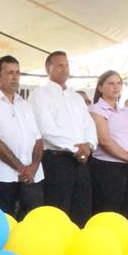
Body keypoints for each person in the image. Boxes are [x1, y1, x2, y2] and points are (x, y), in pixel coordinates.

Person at [30, 50, 97, 226]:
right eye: (60, 65)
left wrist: (88, 146)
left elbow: (88, 124)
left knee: (81, 212)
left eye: (67, 65)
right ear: (48, 68)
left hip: (81, 162)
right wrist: (76, 148)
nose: (65, 69)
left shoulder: (76, 97)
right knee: (58, 213)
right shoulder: (39, 94)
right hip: (57, 160)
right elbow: (46, 129)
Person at [0, 55, 43, 220]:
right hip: (4, 176)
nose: (15, 77)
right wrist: (21, 168)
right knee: (7, 223)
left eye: (18, 73)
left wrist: (33, 167)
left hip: (33, 176)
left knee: (32, 223)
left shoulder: (24, 104)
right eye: (10, 73)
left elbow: (38, 140)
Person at [87, 70, 128, 218]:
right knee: (109, 212)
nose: (116, 87)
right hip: (108, 169)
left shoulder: (127, 112)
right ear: (100, 88)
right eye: (111, 83)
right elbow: (104, 140)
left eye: (118, 83)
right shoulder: (95, 109)